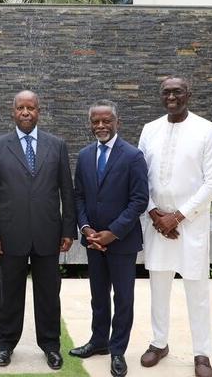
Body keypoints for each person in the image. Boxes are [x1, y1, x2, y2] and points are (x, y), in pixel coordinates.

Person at [0, 90, 76, 371]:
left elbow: (67, 191)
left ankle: (51, 346)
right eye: (21, 108)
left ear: (39, 111)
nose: (26, 112)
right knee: (9, 293)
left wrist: (68, 229)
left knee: (49, 294)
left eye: (31, 108)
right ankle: (5, 345)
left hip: (49, 233)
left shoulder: (56, 145)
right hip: (10, 234)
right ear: (12, 111)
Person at [138, 76, 212, 377]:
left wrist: (177, 216)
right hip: (157, 223)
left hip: (191, 223)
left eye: (177, 92)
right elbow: (139, 177)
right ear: (160, 95)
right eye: (166, 92)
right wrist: (154, 214)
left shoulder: (206, 129)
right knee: (158, 286)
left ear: (189, 93)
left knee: (197, 290)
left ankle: (202, 353)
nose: (171, 97)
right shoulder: (149, 129)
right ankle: (159, 343)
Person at [68, 100, 149, 377]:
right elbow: (79, 196)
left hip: (122, 241)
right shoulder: (85, 155)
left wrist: (113, 233)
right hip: (93, 241)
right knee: (98, 296)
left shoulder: (133, 156)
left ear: (117, 122)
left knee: (123, 298)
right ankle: (99, 341)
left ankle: (117, 351)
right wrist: (85, 228)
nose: (101, 126)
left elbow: (139, 200)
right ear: (90, 124)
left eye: (106, 121)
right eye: (96, 122)